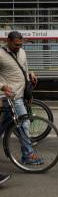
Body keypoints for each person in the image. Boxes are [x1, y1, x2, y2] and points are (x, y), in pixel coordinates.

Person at [0, 31, 42, 164]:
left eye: (20, 44)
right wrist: (2, 86)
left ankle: (27, 155)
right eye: (16, 44)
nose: (18, 47)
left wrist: (31, 73)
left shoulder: (22, 52)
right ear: (8, 41)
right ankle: (28, 155)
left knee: (21, 124)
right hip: (7, 97)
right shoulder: (0, 54)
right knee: (21, 124)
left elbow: (23, 68)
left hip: (20, 95)